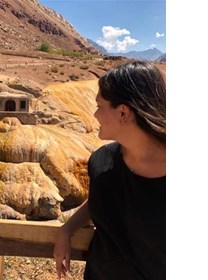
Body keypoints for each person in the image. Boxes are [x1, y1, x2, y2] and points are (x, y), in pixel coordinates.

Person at [53, 60, 166, 280]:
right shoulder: (101, 160)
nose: (94, 115)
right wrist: (67, 229)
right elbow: (102, 197)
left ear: (123, 113)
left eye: (99, 106)